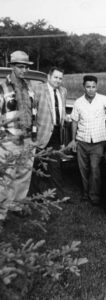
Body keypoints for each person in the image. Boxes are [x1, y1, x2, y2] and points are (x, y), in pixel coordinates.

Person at [68, 75, 106, 206]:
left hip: (98, 142)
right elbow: (74, 121)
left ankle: (94, 196)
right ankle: (85, 194)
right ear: (83, 87)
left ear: (97, 87)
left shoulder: (103, 99)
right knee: (83, 169)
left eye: (93, 87)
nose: (91, 90)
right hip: (82, 140)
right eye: (88, 87)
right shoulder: (78, 102)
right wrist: (73, 140)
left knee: (95, 169)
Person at [0, 51, 37, 220]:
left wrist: (34, 134)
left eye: (26, 67)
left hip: (28, 138)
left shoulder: (28, 86)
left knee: (24, 173)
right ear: (12, 67)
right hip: (9, 139)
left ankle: (16, 205)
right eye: (20, 67)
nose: (24, 70)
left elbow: (33, 110)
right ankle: (1, 212)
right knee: (6, 177)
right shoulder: (2, 87)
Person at [31, 67, 67, 197]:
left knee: (55, 165)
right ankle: (33, 196)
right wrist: (32, 132)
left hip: (57, 133)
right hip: (41, 133)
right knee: (35, 165)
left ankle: (58, 195)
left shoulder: (63, 91)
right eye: (55, 77)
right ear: (49, 77)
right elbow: (32, 112)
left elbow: (61, 112)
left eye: (60, 78)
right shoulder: (38, 89)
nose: (58, 80)